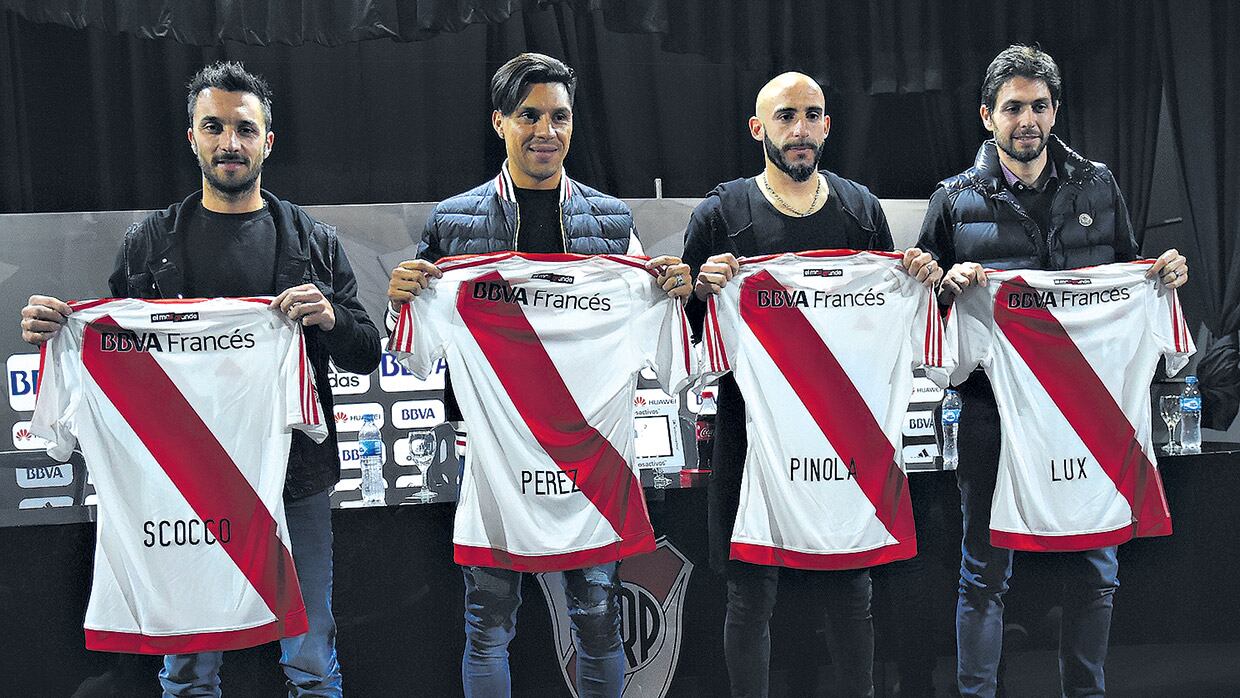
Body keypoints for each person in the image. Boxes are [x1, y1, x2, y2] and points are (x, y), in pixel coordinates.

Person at [19, 61, 381, 697]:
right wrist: (62, 329)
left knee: (312, 658)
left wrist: (329, 316)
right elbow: (115, 355)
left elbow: (367, 352)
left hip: (292, 478)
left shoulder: (314, 242)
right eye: (213, 127)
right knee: (187, 667)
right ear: (192, 138)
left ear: (269, 139)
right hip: (183, 481)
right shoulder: (147, 245)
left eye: (244, 128)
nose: (229, 143)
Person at [385, 52, 692, 698]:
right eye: (529, 116)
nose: (545, 131)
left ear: (574, 125)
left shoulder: (611, 223)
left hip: (592, 457)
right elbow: (412, 357)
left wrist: (668, 291)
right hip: (498, 456)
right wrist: (403, 302)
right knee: (488, 627)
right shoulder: (455, 223)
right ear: (499, 121)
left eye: (559, 116)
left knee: (600, 621)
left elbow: (659, 340)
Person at [917, 45, 1189, 698]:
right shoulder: (953, 199)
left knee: (1097, 570)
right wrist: (945, 285)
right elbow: (919, 302)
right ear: (988, 115)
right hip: (995, 411)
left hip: (1089, 407)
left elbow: (1128, 271)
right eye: (1013, 107)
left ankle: (1085, 693)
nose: (1027, 119)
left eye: (1039, 105)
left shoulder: (1099, 185)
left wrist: (1162, 275)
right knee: (983, 573)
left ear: (1055, 111)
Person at [683, 71, 941, 698]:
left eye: (812, 115)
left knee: (853, 591)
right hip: (754, 431)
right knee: (750, 593)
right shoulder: (721, 214)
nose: (799, 130)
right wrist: (698, 286)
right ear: (758, 129)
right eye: (785, 117)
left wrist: (914, 275)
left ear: (828, 125)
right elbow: (685, 328)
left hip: (844, 428)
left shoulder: (860, 210)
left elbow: (887, 310)